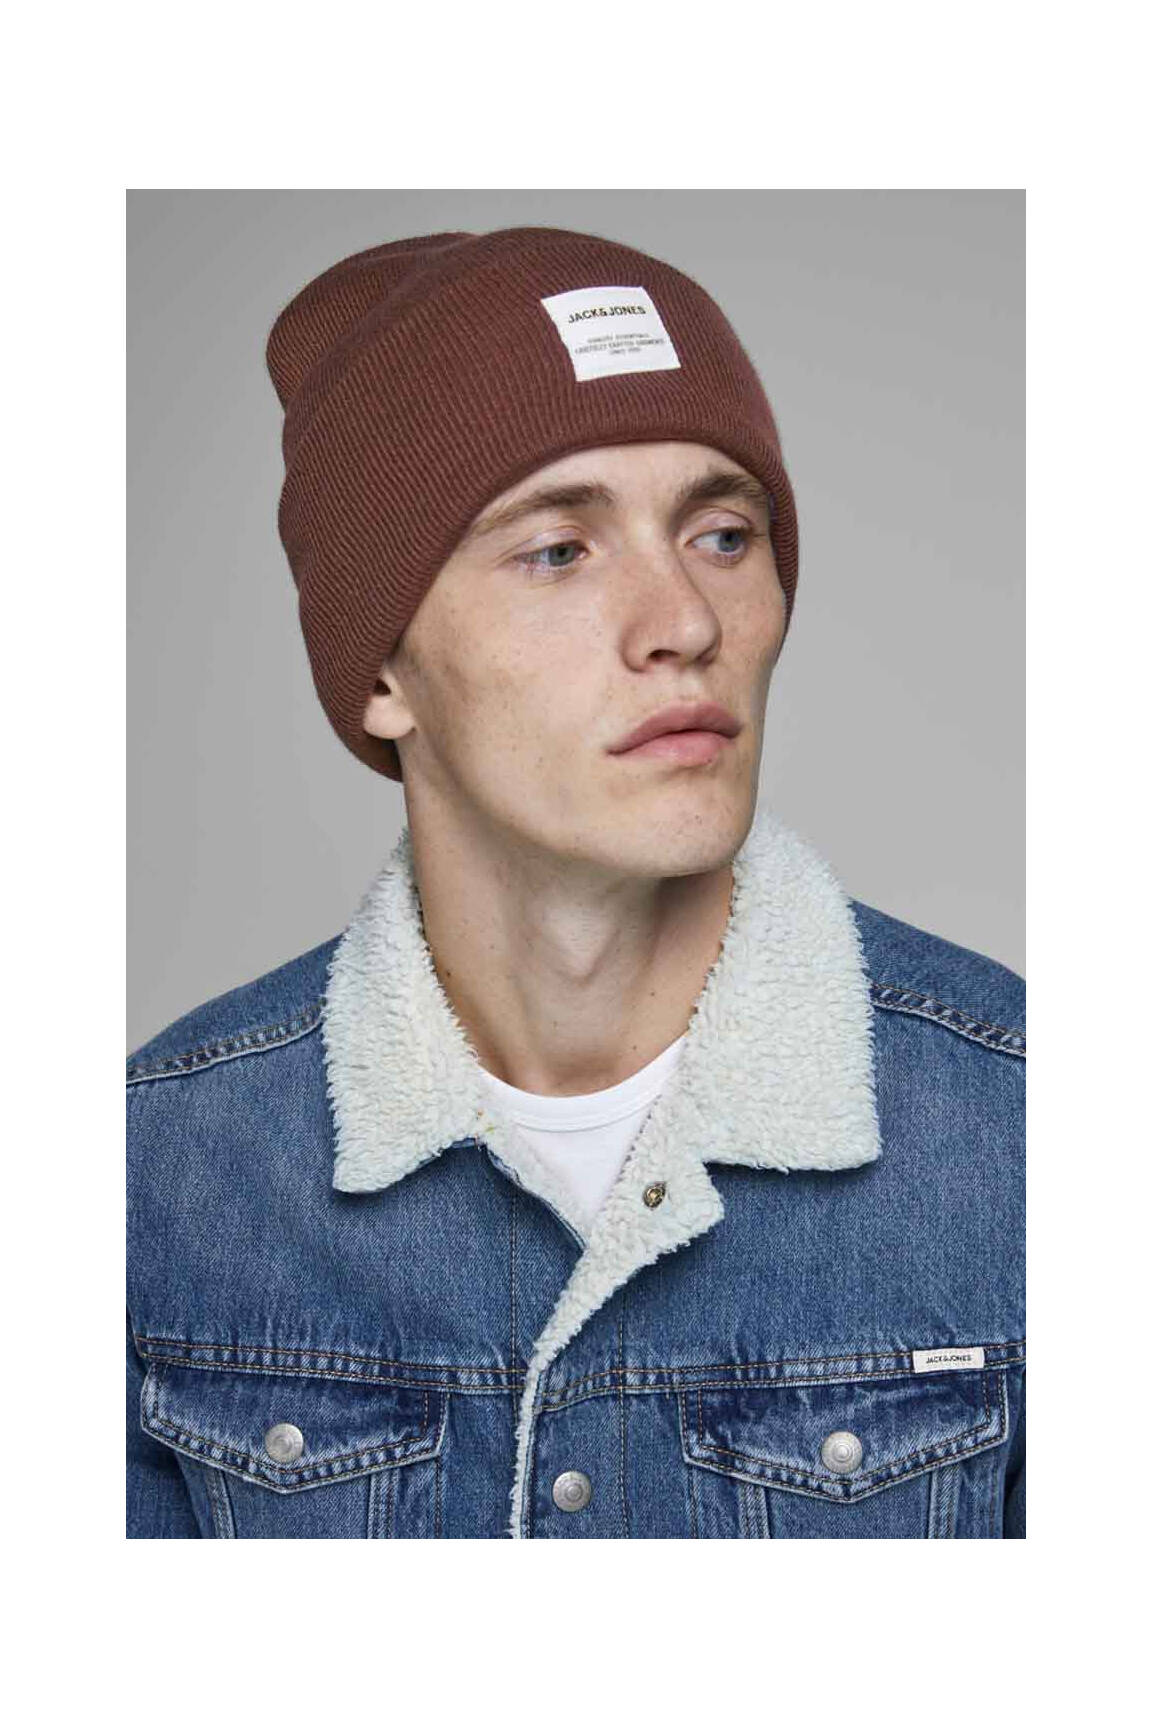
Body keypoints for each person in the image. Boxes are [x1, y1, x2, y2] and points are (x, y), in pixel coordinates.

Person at [127, 226, 1024, 1539]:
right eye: (559, 550)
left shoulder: (1036, 1136)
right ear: (381, 674)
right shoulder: (154, 1176)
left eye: (724, 534)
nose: (686, 622)